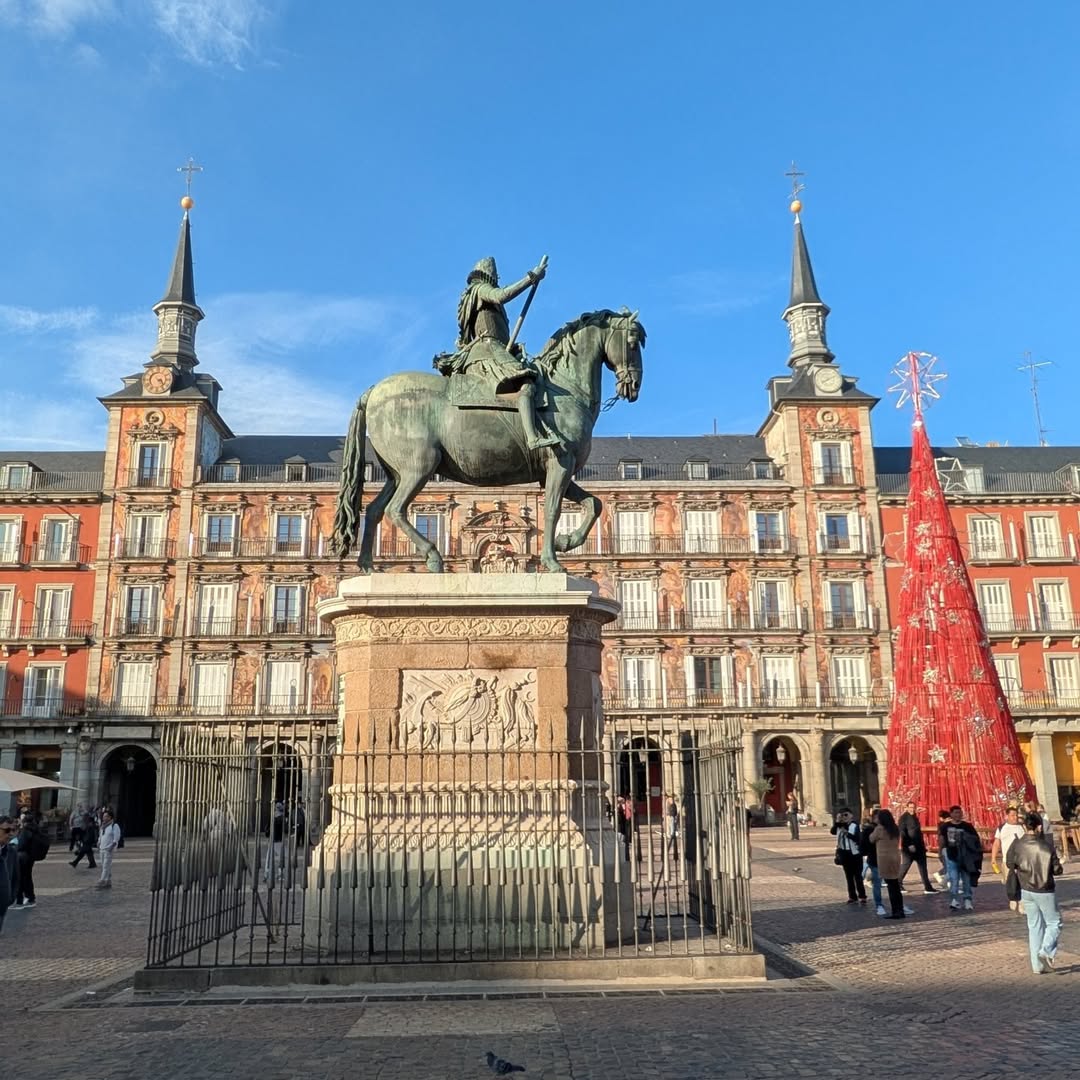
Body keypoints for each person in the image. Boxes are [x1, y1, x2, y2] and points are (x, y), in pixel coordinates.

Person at [433, 255, 559, 450]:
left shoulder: (475, 294)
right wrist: (531, 277)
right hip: (487, 351)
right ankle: (533, 438)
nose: (497, 278)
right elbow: (501, 295)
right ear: (489, 274)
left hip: (493, 348)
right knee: (526, 384)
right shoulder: (480, 289)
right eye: (495, 275)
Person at [1007, 811, 1064, 975]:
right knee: (1054, 922)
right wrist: (1059, 862)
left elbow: (1011, 862)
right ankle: (1045, 952)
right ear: (1039, 826)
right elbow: (1057, 870)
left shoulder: (1017, 844)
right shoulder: (1046, 846)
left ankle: (1036, 966)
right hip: (1044, 889)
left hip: (1026, 889)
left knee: (1034, 926)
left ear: (1025, 826)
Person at [938, 805, 982, 911]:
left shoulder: (968, 826)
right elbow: (941, 840)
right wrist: (940, 852)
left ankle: (967, 900)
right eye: (956, 812)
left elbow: (976, 840)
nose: (958, 815)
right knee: (954, 879)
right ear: (951, 814)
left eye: (960, 812)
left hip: (966, 856)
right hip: (951, 856)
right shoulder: (945, 826)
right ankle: (954, 900)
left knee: (966, 879)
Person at [870, 809, 912, 919]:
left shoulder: (879, 829)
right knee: (895, 885)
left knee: (891, 886)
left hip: (885, 859)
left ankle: (896, 911)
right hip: (895, 857)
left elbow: (871, 839)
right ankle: (900, 909)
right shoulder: (895, 828)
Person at [990, 806, 1026, 913]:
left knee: (1022, 882)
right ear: (1007, 816)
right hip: (1007, 861)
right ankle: (1013, 898)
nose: (1015, 818)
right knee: (1010, 882)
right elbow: (997, 843)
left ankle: (1021, 902)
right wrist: (993, 858)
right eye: (1012, 815)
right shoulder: (1002, 828)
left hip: (1021, 860)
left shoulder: (1022, 827)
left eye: (1016, 815)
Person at [898, 801, 936, 894]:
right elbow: (903, 833)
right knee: (905, 866)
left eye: (913, 807)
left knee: (923, 867)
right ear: (906, 808)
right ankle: (897, 884)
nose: (912, 809)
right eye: (910, 807)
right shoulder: (903, 818)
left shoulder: (915, 816)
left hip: (919, 846)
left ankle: (928, 887)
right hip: (909, 847)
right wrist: (909, 845)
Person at [830, 807, 866, 904]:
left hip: (855, 854)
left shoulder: (854, 825)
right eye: (843, 815)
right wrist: (837, 821)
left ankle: (862, 896)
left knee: (858, 876)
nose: (845, 817)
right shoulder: (839, 825)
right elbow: (832, 832)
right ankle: (852, 896)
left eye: (846, 815)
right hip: (844, 853)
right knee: (849, 876)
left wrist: (847, 833)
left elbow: (857, 838)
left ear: (851, 815)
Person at [14, 809, 46, 909]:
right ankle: (30, 898)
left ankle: (19, 901)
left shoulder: (25, 830)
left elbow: (21, 845)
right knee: (27, 877)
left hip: (23, 857)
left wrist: (14, 844)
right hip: (29, 857)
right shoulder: (34, 829)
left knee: (20, 878)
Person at [860, 809, 885, 915]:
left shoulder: (886, 828)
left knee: (888, 881)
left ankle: (897, 904)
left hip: (886, 859)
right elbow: (864, 845)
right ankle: (879, 904)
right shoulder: (869, 829)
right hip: (875, 858)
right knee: (877, 882)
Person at [0, 816, 18, 933]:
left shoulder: (11, 852)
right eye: (7, 830)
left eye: (13, 830)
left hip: (1, 907)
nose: (10, 834)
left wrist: (10, 897)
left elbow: (15, 877)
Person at [96, 809, 121, 889]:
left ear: (110, 817)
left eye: (106, 816)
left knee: (106, 865)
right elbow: (100, 835)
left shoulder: (114, 826)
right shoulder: (103, 826)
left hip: (109, 848)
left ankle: (102, 881)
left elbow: (116, 837)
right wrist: (98, 842)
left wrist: (112, 846)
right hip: (102, 848)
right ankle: (108, 880)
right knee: (104, 865)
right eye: (103, 816)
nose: (104, 818)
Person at [931, 810, 951, 888]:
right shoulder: (943, 826)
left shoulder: (943, 826)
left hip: (944, 849)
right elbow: (942, 840)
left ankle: (943, 879)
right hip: (945, 849)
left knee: (948, 867)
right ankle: (947, 883)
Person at [665, 794, 680, 858]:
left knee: (671, 824)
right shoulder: (670, 802)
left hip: (671, 814)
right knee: (671, 824)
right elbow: (671, 809)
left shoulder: (669, 802)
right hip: (671, 815)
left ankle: (671, 833)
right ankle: (671, 833)